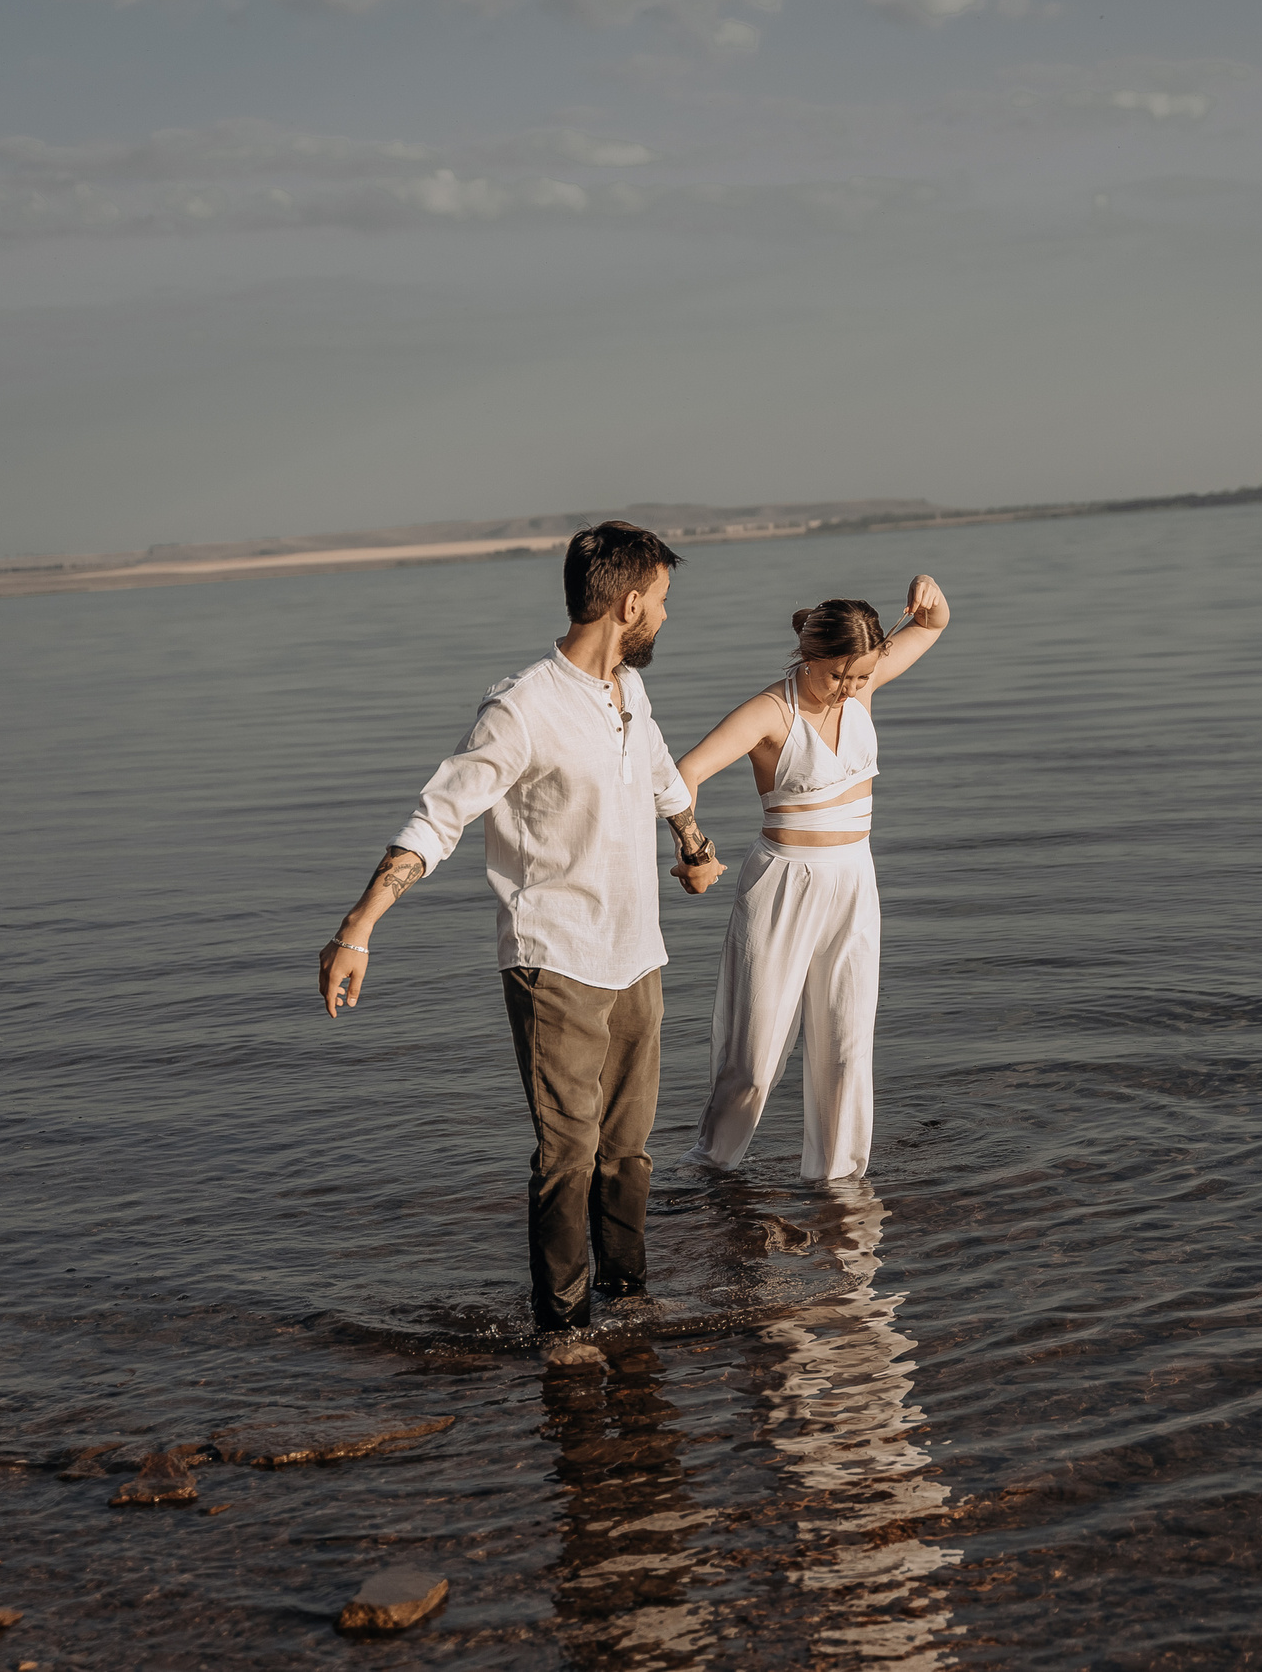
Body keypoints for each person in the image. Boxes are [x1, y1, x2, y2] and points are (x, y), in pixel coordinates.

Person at [316, 522, 727, 1334]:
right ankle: (563, 1327)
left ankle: (630, 1299)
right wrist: (357, 928)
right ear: (629, 604)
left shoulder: (627, 692)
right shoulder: (523, 707)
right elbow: (439, 818)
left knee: (628, 1150)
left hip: (636, 956)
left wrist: (694, 845)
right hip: (556, 963)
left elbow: (657, 771)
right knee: (568, 1156)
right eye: (661, 601)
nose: (666, 616)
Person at [672, 576, 951, 1181]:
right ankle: (712, 1169)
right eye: (838, 676)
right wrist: (693, 852)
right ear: (808, 655)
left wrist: (928, 593)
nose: (850, 688)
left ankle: (838, 1183)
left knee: (847, 1047)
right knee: (754, 1057)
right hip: (783, 886)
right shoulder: (771, 712)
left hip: (853, 881)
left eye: (861, 676)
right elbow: (683, 773)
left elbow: (932, 624)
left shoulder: (862, 687)